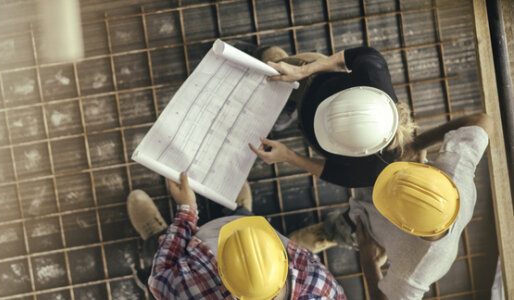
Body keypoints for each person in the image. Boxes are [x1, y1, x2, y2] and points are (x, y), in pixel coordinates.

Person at [292, 113, 493, 299]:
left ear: (400, 224)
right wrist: (418, 144)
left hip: (371, 230)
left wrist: (369, 260)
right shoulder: (456, 173)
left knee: (350, 228)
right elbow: (482, 121)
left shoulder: (414, 270)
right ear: (436, 177)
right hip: (395, 186)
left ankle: (329, 233)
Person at [127, 172, 346, 299]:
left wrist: (186, 210)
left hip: (201, 239)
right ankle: (241, 213)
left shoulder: (190, 285)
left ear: (221, 271)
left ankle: (157, 234)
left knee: (160, 247)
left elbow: (159, 279)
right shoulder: (318, 286)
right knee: (243, 219)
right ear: (284, 261)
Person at [238, 44, 418, 188]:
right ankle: (262, 52)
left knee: (277, 99)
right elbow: (343, 59)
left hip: (310, 125)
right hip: (312, 79)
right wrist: (302, 71)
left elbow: (331, 172)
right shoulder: (373, 71)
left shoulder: (374, 170)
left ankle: (291, 108)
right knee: (272, 64)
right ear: (358, 91)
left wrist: (288, 156)